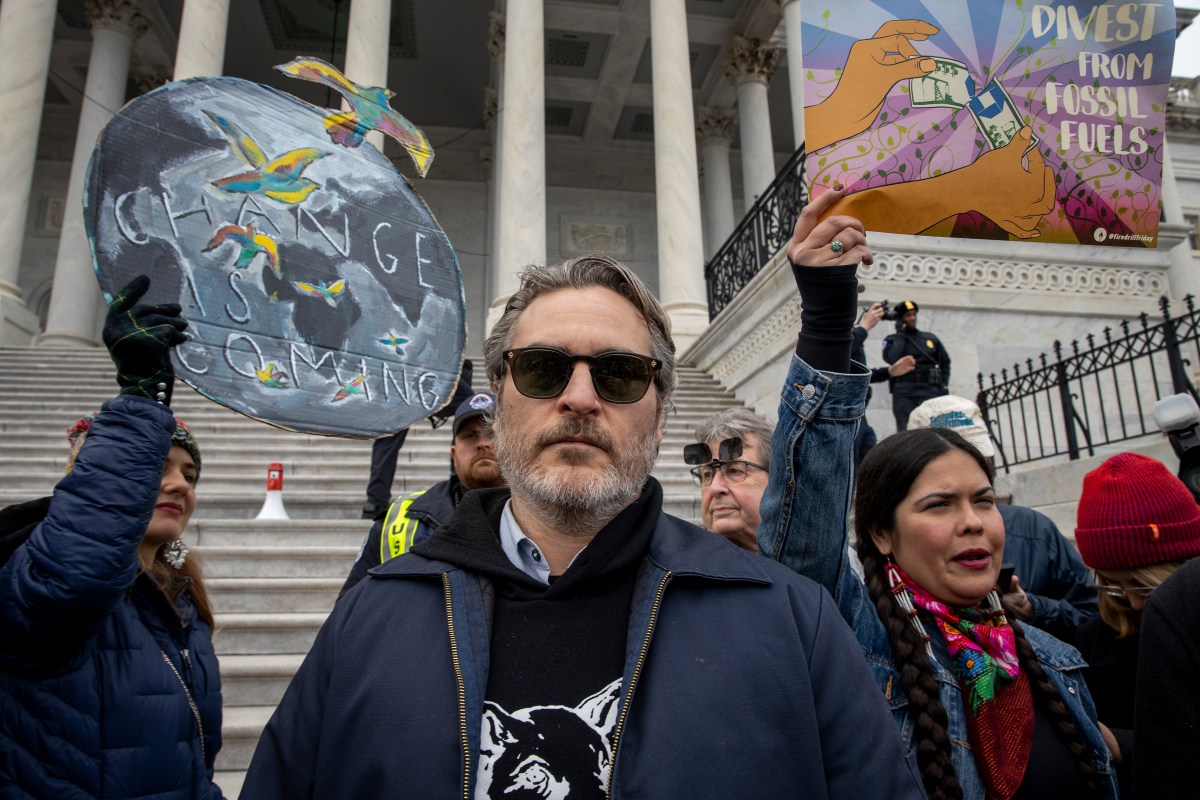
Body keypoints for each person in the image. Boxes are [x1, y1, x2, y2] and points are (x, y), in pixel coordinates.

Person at [242, 212, 926, 798]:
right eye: (543, 369)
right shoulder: (370, 617)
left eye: (619, 375)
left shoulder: (792, 620)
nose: (578, 398)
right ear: (498, 402)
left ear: (660, 416)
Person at [758, 201, 1117, 799]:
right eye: (939, 505)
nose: (973, 523)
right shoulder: (856, 644)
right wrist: (828, 317)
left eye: (983, 500)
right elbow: (805, 529)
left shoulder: (1054, 661)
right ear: (881, 532)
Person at [0, 276, 225, 799]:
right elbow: (78, 570)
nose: (179, 484)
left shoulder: (180, 602)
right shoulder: (42, 577)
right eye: (156, 467)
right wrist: (142, 397)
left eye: (190, 475)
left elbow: (192, 755)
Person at [907, 395, 1098, 640]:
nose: (971, 523)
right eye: (939, 505)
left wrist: (1032, 608)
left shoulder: (1035, 529)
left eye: (975, 457)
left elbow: (1091, 616)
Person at [1070, 451, 1200, 798]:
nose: (1134, 602)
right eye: (1112, 585)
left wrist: (1120, 743)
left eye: (1144, 585)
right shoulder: (1092, 640)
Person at [341, 389, 505, 596]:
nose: (482, 443)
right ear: (453, 454)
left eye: (492, 433)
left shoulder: (543, 516)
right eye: (470, 435)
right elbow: (351, 607)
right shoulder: (396, 520)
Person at [361, 360, 475, 520]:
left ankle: (375, 501)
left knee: (389, 438)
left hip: (398, 372)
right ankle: (460, 488)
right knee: (470, 407)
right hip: (426, 369)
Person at [1133, 556, 1200, 798]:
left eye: (1139, 584)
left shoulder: (1182, 595)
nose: (1134, 602)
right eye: (1111, 587)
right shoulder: (1182, 596)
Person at [686, 407, 774, 552]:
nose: (715, 488)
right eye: (708, 474)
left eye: (735, 471)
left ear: (776, 480)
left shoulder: (810, 559)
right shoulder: (683, 563)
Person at [851, 301, 915, 462]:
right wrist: (864, 327)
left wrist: (890, 371)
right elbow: (839, 352)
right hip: (845, 414)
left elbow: (859, 373)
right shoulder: (838, 335)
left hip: (860, 413)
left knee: (868, 455)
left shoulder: (853, 335)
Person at [883, 299, 951, 431]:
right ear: (900, 319)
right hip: (905, 392)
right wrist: (900, 334)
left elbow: (945, 362)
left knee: (935, 430)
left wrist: (943, 384)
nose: (912, 318)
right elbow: (891, 359)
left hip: (930, 389)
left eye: (914, 314)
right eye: (908, 315)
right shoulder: (892, 340)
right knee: (906, 430)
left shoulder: (930, 338)